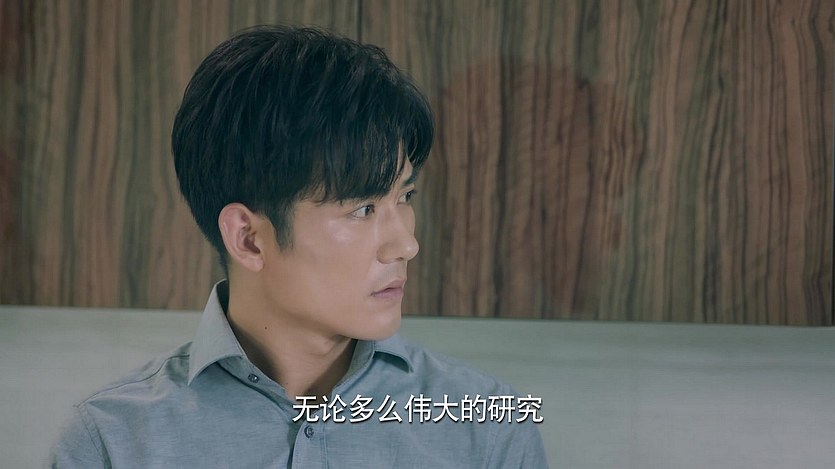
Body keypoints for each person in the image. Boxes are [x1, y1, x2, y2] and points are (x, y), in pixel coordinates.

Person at [48, 24, 548, 468]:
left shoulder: (488, 433)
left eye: (405, 196)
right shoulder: (111, 443)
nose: (406, 245)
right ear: (249, 238)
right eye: (363, 208)